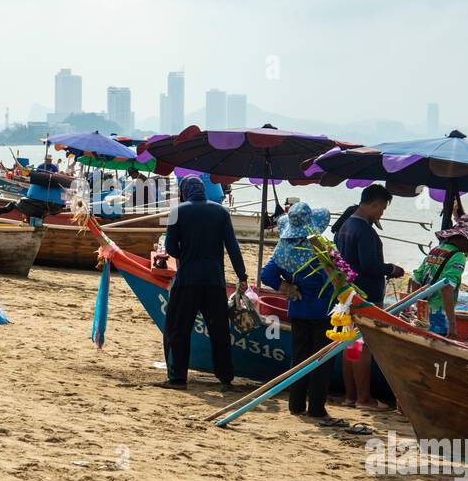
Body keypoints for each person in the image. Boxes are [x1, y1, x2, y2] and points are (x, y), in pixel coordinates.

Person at [163, 175, 248, 389]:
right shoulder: (220, 212)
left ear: (184, 191)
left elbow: (171, 247)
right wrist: (242, 276)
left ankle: (178, 378)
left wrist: (186, 254)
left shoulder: (176, 211)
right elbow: (232, 246)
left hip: (187, 280)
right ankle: (226, 377)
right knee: (219, 331)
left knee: (179, 329)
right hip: (214, 281)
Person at [259, 202, 337, 417]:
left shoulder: (284, 248)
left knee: (300, 357)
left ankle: (296, 405)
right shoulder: (320, 247)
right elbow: (332, 279)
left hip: (298, 308)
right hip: (323, 310)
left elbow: (267, 275)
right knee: (321, 359)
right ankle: (316, 408)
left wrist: (287, 287)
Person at [335, 185, 403, 409]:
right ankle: (364, 398)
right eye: (382, 208)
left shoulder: (346, 225)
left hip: (348, 293)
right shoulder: (363, 230)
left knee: (350, 344)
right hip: (365, 296)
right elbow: (369, 265)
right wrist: (392, 269)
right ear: (374, 204)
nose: (382, 213)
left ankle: (350, 396)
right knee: (362, 346)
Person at [409, 214, 468, 336]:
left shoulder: (436, 250)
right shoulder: (458, 256)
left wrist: (417, 307)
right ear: (463, 238)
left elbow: (416, 279)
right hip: (439, 313)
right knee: (437, 346)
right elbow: (447, 287)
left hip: (423, 310)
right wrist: (452, 323)